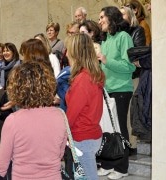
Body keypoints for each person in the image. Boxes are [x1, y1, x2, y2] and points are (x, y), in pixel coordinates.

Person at [0, 61, 67, 179]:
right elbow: (60, 153)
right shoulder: (60, 116)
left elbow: (2, 164)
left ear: (16, 88)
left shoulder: (13, 120)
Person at [97, 6, 136, 179]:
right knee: (106, 129)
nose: (99, 21)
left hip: (121, 89)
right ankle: (107, 163)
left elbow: (129, 66)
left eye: (101, 17)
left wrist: (105, 60)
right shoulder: (105, 40)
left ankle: (121, 168)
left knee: (119, 129)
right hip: (106, 90)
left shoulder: (124, 37)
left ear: (111, 18)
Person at [64, 34, 105, 180]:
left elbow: (73, 113)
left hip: (82, 137)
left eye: (68, 49)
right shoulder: (93, 74)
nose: (66, 53)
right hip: (91, 134)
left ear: (75, 52)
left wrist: (62, 132)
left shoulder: (83, 79)